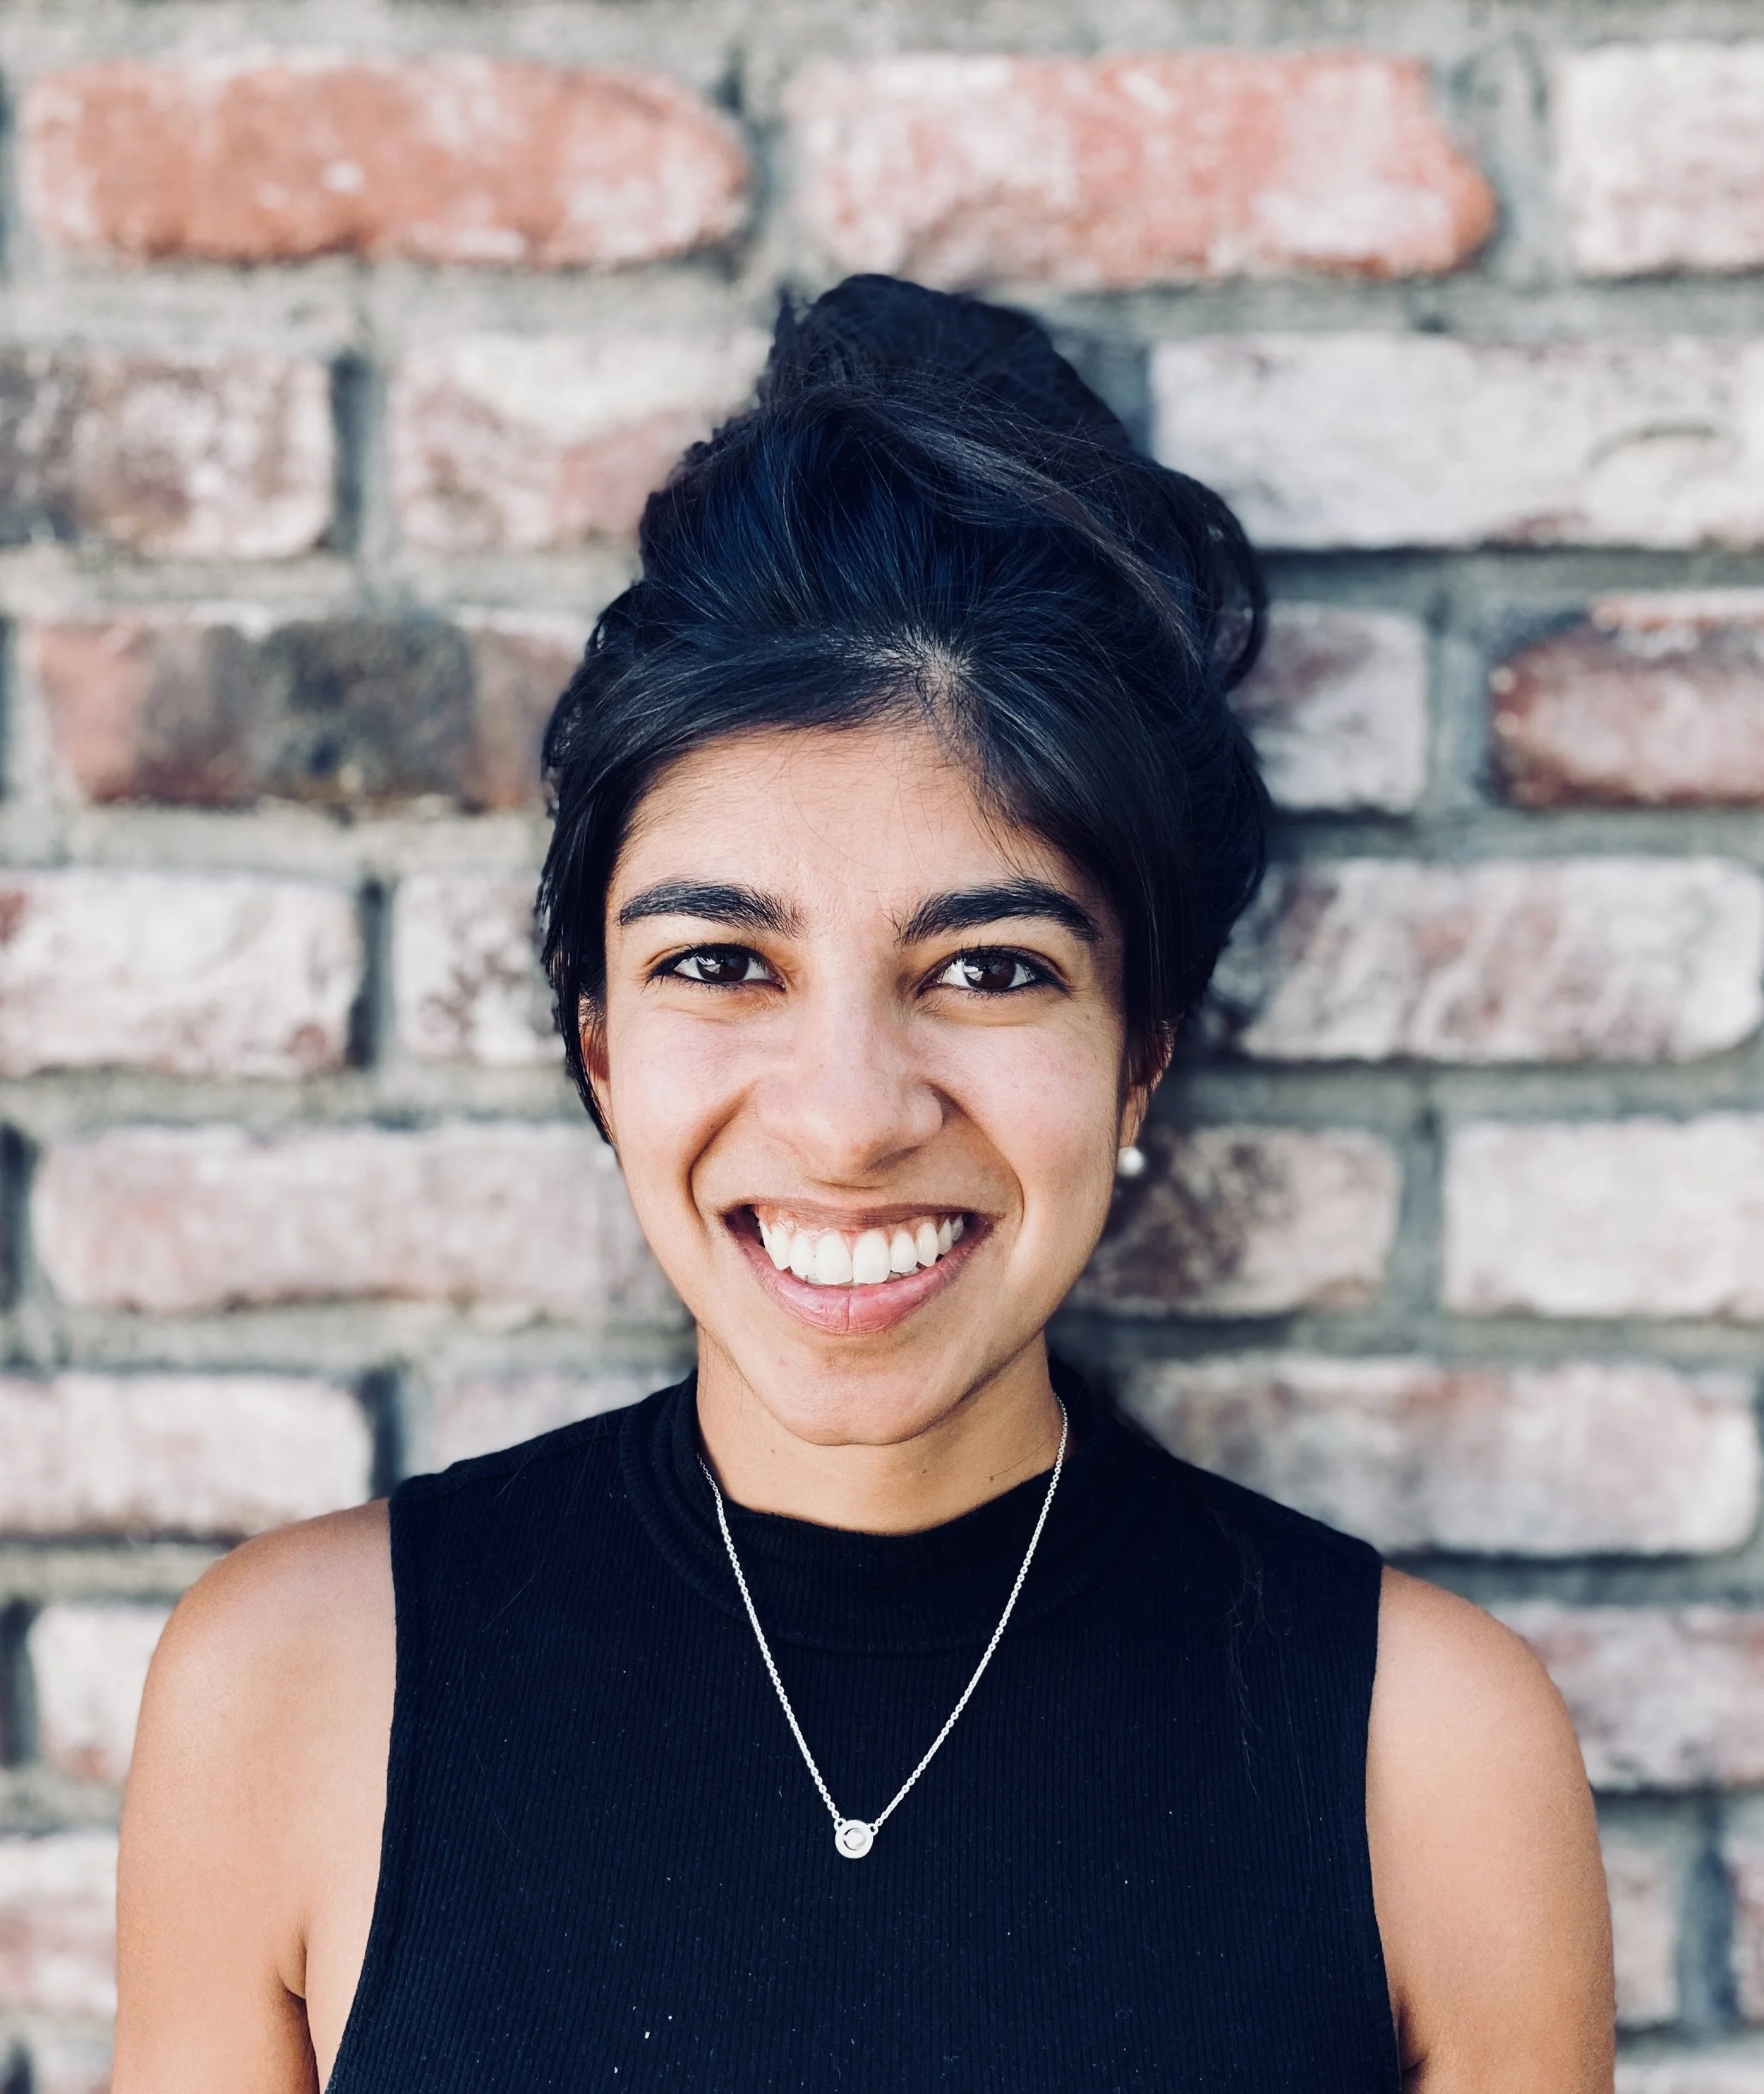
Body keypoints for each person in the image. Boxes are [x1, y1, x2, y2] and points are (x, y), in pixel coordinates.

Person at [114, 277, 1614, 2093]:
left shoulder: (1424, 1758)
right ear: (597, 1042)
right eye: (719, 963)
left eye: (986, 969)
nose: (846, 1117)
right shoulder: (292, 1696)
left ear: (1139, 1050)